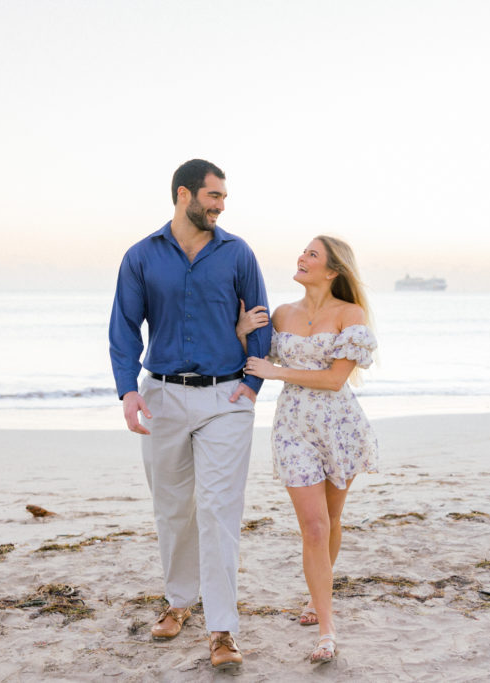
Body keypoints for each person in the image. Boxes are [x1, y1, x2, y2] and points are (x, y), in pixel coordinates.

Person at [109, 159, 271, 670]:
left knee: (219, 510)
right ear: (185, 195)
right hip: (161, 397)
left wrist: (251, 384)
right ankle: (180, 602)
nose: (221, 206)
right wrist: (127, 393)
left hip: (226, 399)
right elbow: (123, 327)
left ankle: (222, 629)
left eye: (224, 198)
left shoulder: (237, 252)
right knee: (173, 508)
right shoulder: (141, 256)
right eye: (213, 196)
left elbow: (261, 318)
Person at [239, 235, 378, 664]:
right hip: (293, 428)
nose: (301, 257)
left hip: (340, 428)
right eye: (303, 251)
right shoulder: (281, 314)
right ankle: (326, 629)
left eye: (312, 254)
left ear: (332, 270)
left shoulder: (349, 315)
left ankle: (316, 596)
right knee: (314, 527)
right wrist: (244, 333)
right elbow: (252, 359)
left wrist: (278, 371)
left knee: (333, 520)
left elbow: (336, 380)